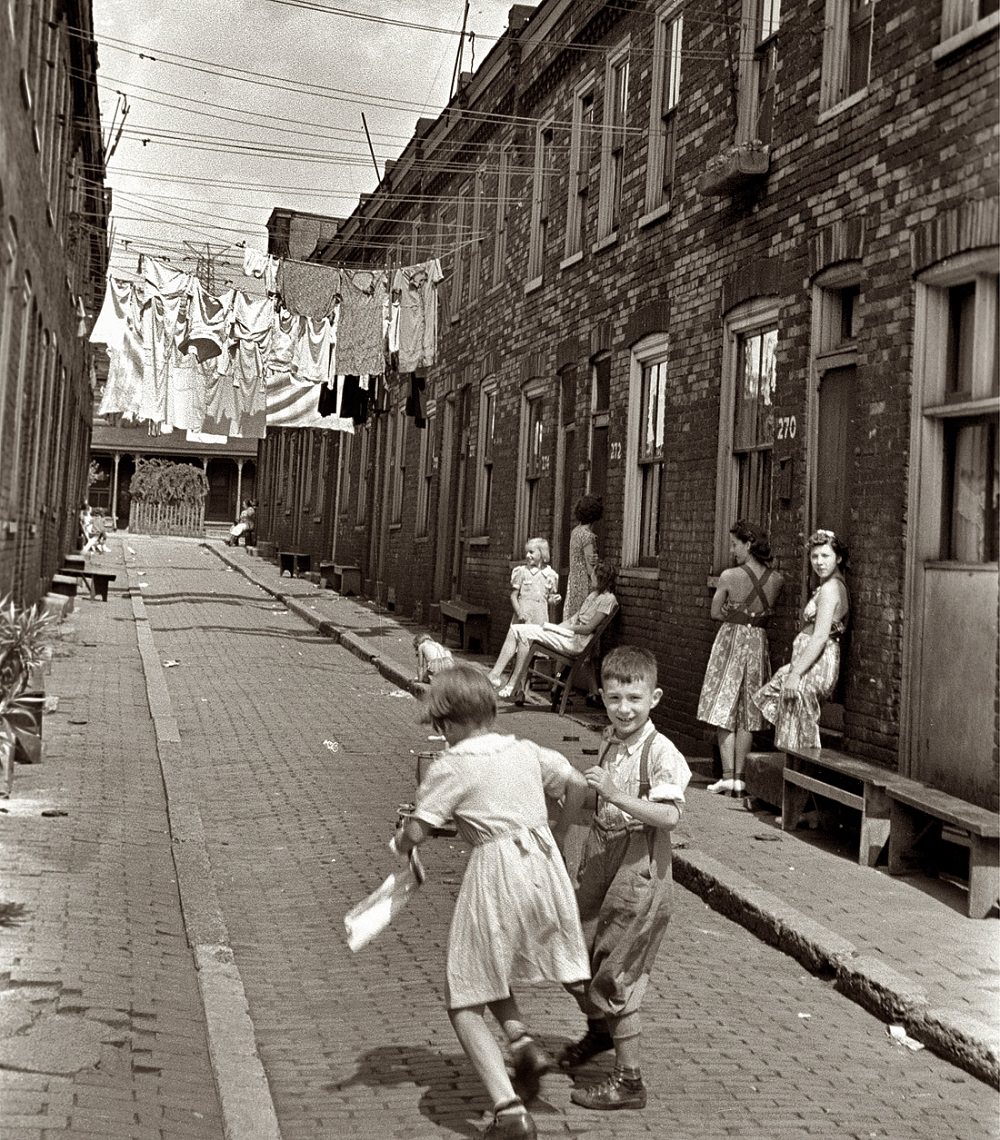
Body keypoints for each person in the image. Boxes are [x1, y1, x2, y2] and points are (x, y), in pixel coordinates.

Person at [393, 666, 591, 1139]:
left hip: (497, 872)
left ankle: (508, 1112)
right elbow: (578, 784)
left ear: (447, 723)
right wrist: (557, 833)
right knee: (489, 965)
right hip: (544, 865)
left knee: (463, 995)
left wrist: (402, 839)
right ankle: (522, 1042)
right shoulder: (523, 749)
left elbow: (418, 831)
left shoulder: (452, 764)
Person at [553, 646, 691, 1111]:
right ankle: (599, 1033)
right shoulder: (612, 740)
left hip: (639, 870)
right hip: (602, 861)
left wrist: (615, 793)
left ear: (654, 697)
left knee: (618, 972)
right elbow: (598, 802)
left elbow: (669, 817)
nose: (624, 709)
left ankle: (629, 1081)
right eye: (614, 698)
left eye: (633, 698)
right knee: (579, 954)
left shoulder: (660, 752)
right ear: (603, 697)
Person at [696, 521, 784, 796]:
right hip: (758, 643)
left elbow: (714, 612)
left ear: (748, 545)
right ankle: (741, 778)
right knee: (748, 711)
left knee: (724, 706)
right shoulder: (777, 580)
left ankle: (727, 776)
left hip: (731, 642)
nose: (732, 550)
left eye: (735, 544)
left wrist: (735, 617)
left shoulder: (729, 576)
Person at [752, 529, 850, 752]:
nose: (819, 562)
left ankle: (800, 774)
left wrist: (795, 674)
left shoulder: (831, 588)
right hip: (810, 662)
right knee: (790, 717)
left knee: (798, 725)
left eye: (825, 556)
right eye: (814, 557)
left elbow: (820, 636)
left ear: (839, 558)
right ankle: (793, 771)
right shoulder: (830, 585)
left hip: (816, 663)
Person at [497, 560, 618, 704]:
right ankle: (511, 682)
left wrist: (565, 629)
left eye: (593, 576)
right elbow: (574, 618)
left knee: (523, 632)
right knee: (518, 629)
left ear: (602, 578)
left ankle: (513, 684)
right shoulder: (593, 596)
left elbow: (588, 628)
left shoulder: (608, 600)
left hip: (577, 641)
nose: (591, 577)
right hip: (568, 634)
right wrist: (555, 628)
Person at [486, 538, 560, 689]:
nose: (528, 555)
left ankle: (520, 690)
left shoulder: (550, 575)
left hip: (539, 617)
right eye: (527, 552)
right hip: (523, 616)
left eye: (531, 552)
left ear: (542, 553)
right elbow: (514, 595)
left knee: (528, 654)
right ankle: (499, 676)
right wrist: (519, 612)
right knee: (514, 645)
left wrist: (554, 599)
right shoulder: (521, 572)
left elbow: (550, 598)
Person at [563, 495, 602, 623]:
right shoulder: (587, 536)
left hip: (573, 581)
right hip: (584, 584)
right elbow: (590, 569)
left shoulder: (575, 532)